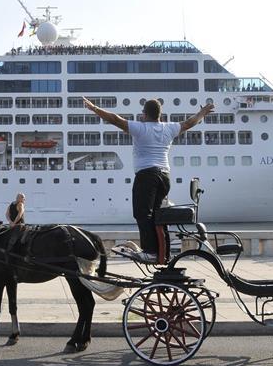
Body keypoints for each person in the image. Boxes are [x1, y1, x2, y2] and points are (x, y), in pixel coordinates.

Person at [83, 97, 214, 263]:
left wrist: (94, 108)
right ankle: (163, 252)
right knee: (158, 215)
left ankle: (151, 252)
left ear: (144, 114)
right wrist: (202, 112)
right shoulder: (169, 128)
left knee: (142, 213)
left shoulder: (141, 128)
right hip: (165, 177)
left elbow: (115, 119)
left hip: (147, 175)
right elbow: (189, 123)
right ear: (160, 114)